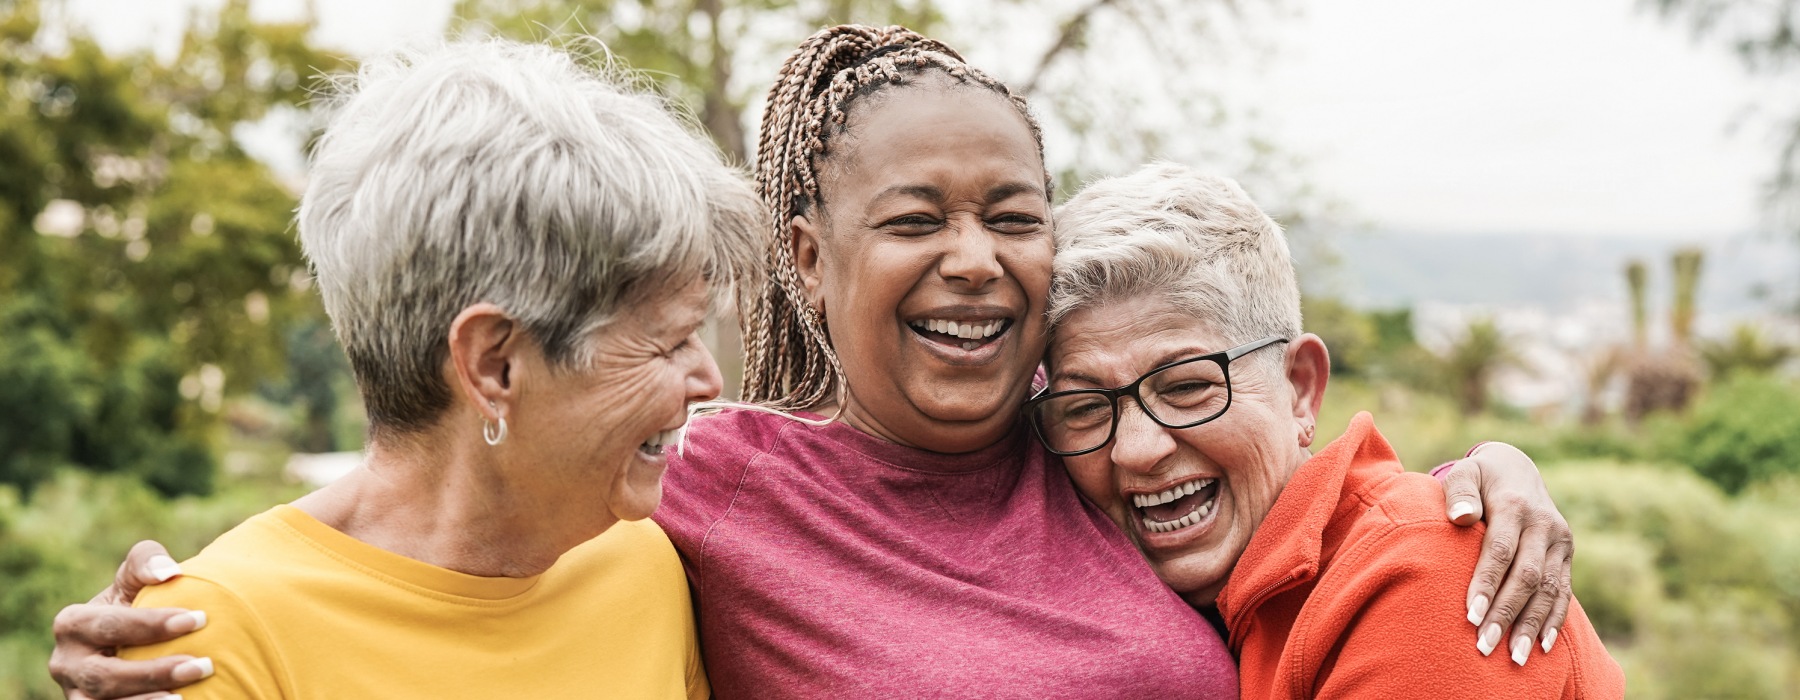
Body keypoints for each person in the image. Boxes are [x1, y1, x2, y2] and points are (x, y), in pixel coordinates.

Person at [52, 26, 1575, 699]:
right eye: (914, 219)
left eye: (1014, 217)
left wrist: (1472, 490)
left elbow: (1276, 491)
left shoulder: (1098, 455)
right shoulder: (692, 499)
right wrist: (169, 616)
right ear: (801, 258)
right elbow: (430, 505)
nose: (976, 260)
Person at [70, 39, 763, 699]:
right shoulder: (209, 636)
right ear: (494, 367)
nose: (708, 380)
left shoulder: (644, 564)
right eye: (669, 343)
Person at [1032, 162, 1623, 697]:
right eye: (1086, 407)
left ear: (1300, 388)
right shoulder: (1228, 592)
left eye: (1187, 387)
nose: (1135, 449)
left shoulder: (1420, 581)